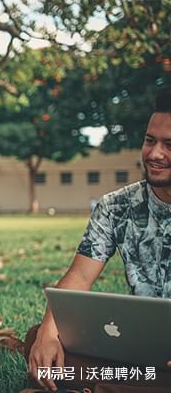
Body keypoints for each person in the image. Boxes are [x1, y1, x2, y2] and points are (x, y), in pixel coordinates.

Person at [26, 87, 171, 392]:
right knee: (39, 342)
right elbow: (78, 277)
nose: (155, 154)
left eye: (169, 145)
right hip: (141, 350)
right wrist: (49, 333)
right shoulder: (117, 206)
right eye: (150, 140)